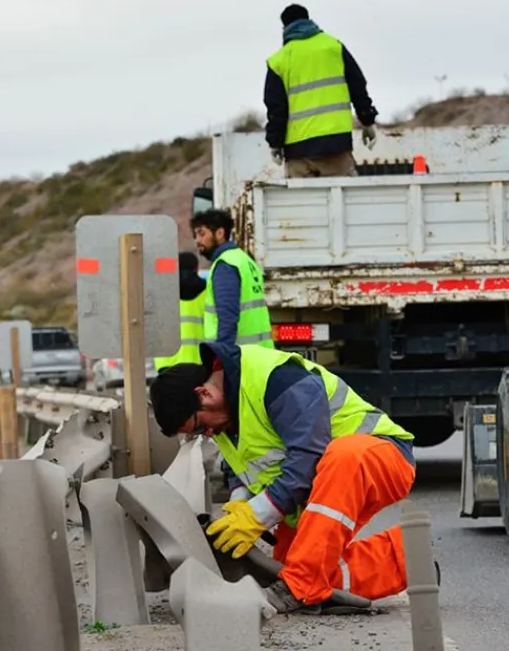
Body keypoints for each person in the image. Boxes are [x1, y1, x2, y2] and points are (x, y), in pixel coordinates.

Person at [148, 340, 423, 614]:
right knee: (287, 569)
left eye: (199, 427)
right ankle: (407, 560)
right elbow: (241, 463)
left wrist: (257, 515)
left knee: (343, 456)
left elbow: (308, 454)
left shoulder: (278, 380)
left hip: (380, 455)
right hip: (318, 486)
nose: (206, 434)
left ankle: (300, 585)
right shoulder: (224, 417)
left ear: (204, 394)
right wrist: (240, 500)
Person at [264, 3, 379, 178]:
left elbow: (276, 109)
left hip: (298, 150)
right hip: (336, 144)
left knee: (301, 203)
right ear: (309, 20)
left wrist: (275, 143)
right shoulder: (334, 47)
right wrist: (367, 120)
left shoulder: (278, 61)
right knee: (342, 201)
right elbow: (357, 86)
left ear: (284, 27)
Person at [190, 209, 273, 349]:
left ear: (220, 233)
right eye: (196, 235)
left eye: (202, 234)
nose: (198, 241)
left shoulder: (225, 265)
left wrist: (222, 358)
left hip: (241, 357)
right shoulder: (244, 259)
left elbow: (227, 318)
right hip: (259, 354)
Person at [154, 251, 207, 371]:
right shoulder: (207, 293)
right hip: (196, 362)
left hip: (166, 363)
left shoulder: (162, 294)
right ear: (196, 268)